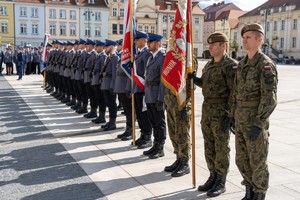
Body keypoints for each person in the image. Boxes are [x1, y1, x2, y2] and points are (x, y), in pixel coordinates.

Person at [191, 32, 238, 197]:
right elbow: (204, 84)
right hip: (207, 110)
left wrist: (231, 115)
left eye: (213, 44)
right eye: (209, 44)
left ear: (223, 46)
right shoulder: (209, 65)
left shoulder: (231, 66)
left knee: (221, 147)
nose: (209, 47)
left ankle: (221, 180)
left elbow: (235, 92)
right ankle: (213, 175)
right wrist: (194, 79)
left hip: (221, 112)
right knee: (209, 145)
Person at [234, 23, 278, 200]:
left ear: (259, 40)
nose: (244, 41)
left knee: (257, 160)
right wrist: (232, 116)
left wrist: (259, 124)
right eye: (243, 38)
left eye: (248, 38)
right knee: (242, 159)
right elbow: (236, 93)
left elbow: (269, 99)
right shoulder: (242, 63)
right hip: (240, 121)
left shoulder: (265, 65)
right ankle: (249, 190)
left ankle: (259, 193)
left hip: (255, 123)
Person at [123, 31, 153, 147]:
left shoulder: (147, 54)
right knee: (139, 114)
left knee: (145, 115)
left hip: (143, 88)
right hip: (136, 88)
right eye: (135, 40)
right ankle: (143, 134)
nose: (135, 42)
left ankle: (148, 137)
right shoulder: (139, 54)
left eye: (137, 39)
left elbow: (147, 73)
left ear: (144, 40)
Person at [142, 33, 166, 159]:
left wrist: (161, 99)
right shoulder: (151, 58)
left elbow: (163, 80)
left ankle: (160, 147)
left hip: (157, 95)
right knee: (153, 122)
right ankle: (155, 145)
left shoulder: (162, 58)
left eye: (150, 43)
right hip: (149, 94)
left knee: (159, 122)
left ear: (158, 44)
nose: (148, 45)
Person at [100, 39, 119, 131]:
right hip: (105, 83)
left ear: (111, 47)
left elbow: (115, 74)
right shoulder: (109, 57)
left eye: (106, 47)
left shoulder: (115, 58)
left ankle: (113, 122)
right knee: (108, 103)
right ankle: (110, 121)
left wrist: (113, 86)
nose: (105, 49)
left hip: (110, 84)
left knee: (112, 104)